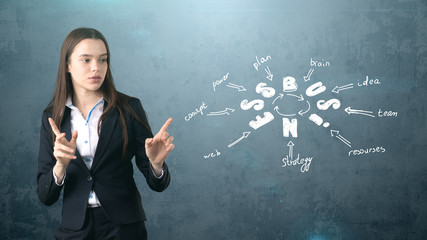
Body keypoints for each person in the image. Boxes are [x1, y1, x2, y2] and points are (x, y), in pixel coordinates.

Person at [37, 27, 174, 240]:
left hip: (124, 227)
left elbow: (158, 184)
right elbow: (45, 196)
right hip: (75, 229)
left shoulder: (129, 108)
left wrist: (156, 166)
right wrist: (60, 167)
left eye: (103, 60)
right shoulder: (53, 118)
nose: (96, 68)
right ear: (68, 65)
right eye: (86, 60)